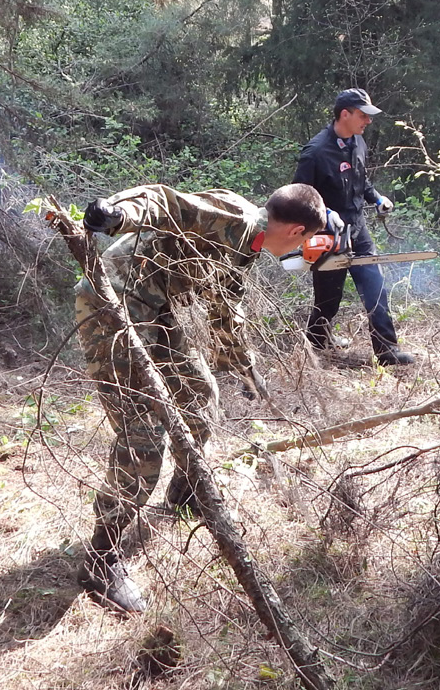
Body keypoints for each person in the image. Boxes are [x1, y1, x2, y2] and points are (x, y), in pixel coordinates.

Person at [73, 182, 326, 614]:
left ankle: (185, 492)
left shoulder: (250, 246)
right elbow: (167, 200)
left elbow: (225, 310)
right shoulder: (236, 217)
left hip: (156, 308)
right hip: (111, 304)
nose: (302, 251)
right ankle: (102, 559)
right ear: (298, 230)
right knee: (143, 439)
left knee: (200, 396)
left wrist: (244, 368)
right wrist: (118, 214)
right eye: (306, 242)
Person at [293, 87, 414, 365]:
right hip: (327, 237)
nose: (368, 121)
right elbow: (298, 197)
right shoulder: (315, 152)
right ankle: (315, 345)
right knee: (328, 300)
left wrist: (377, 197)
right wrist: (323, 215)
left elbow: (362, 181)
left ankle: (387, 352)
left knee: (376, 288)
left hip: (358, 231)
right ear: (344, 114)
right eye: (363, 115)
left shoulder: (358, 142)